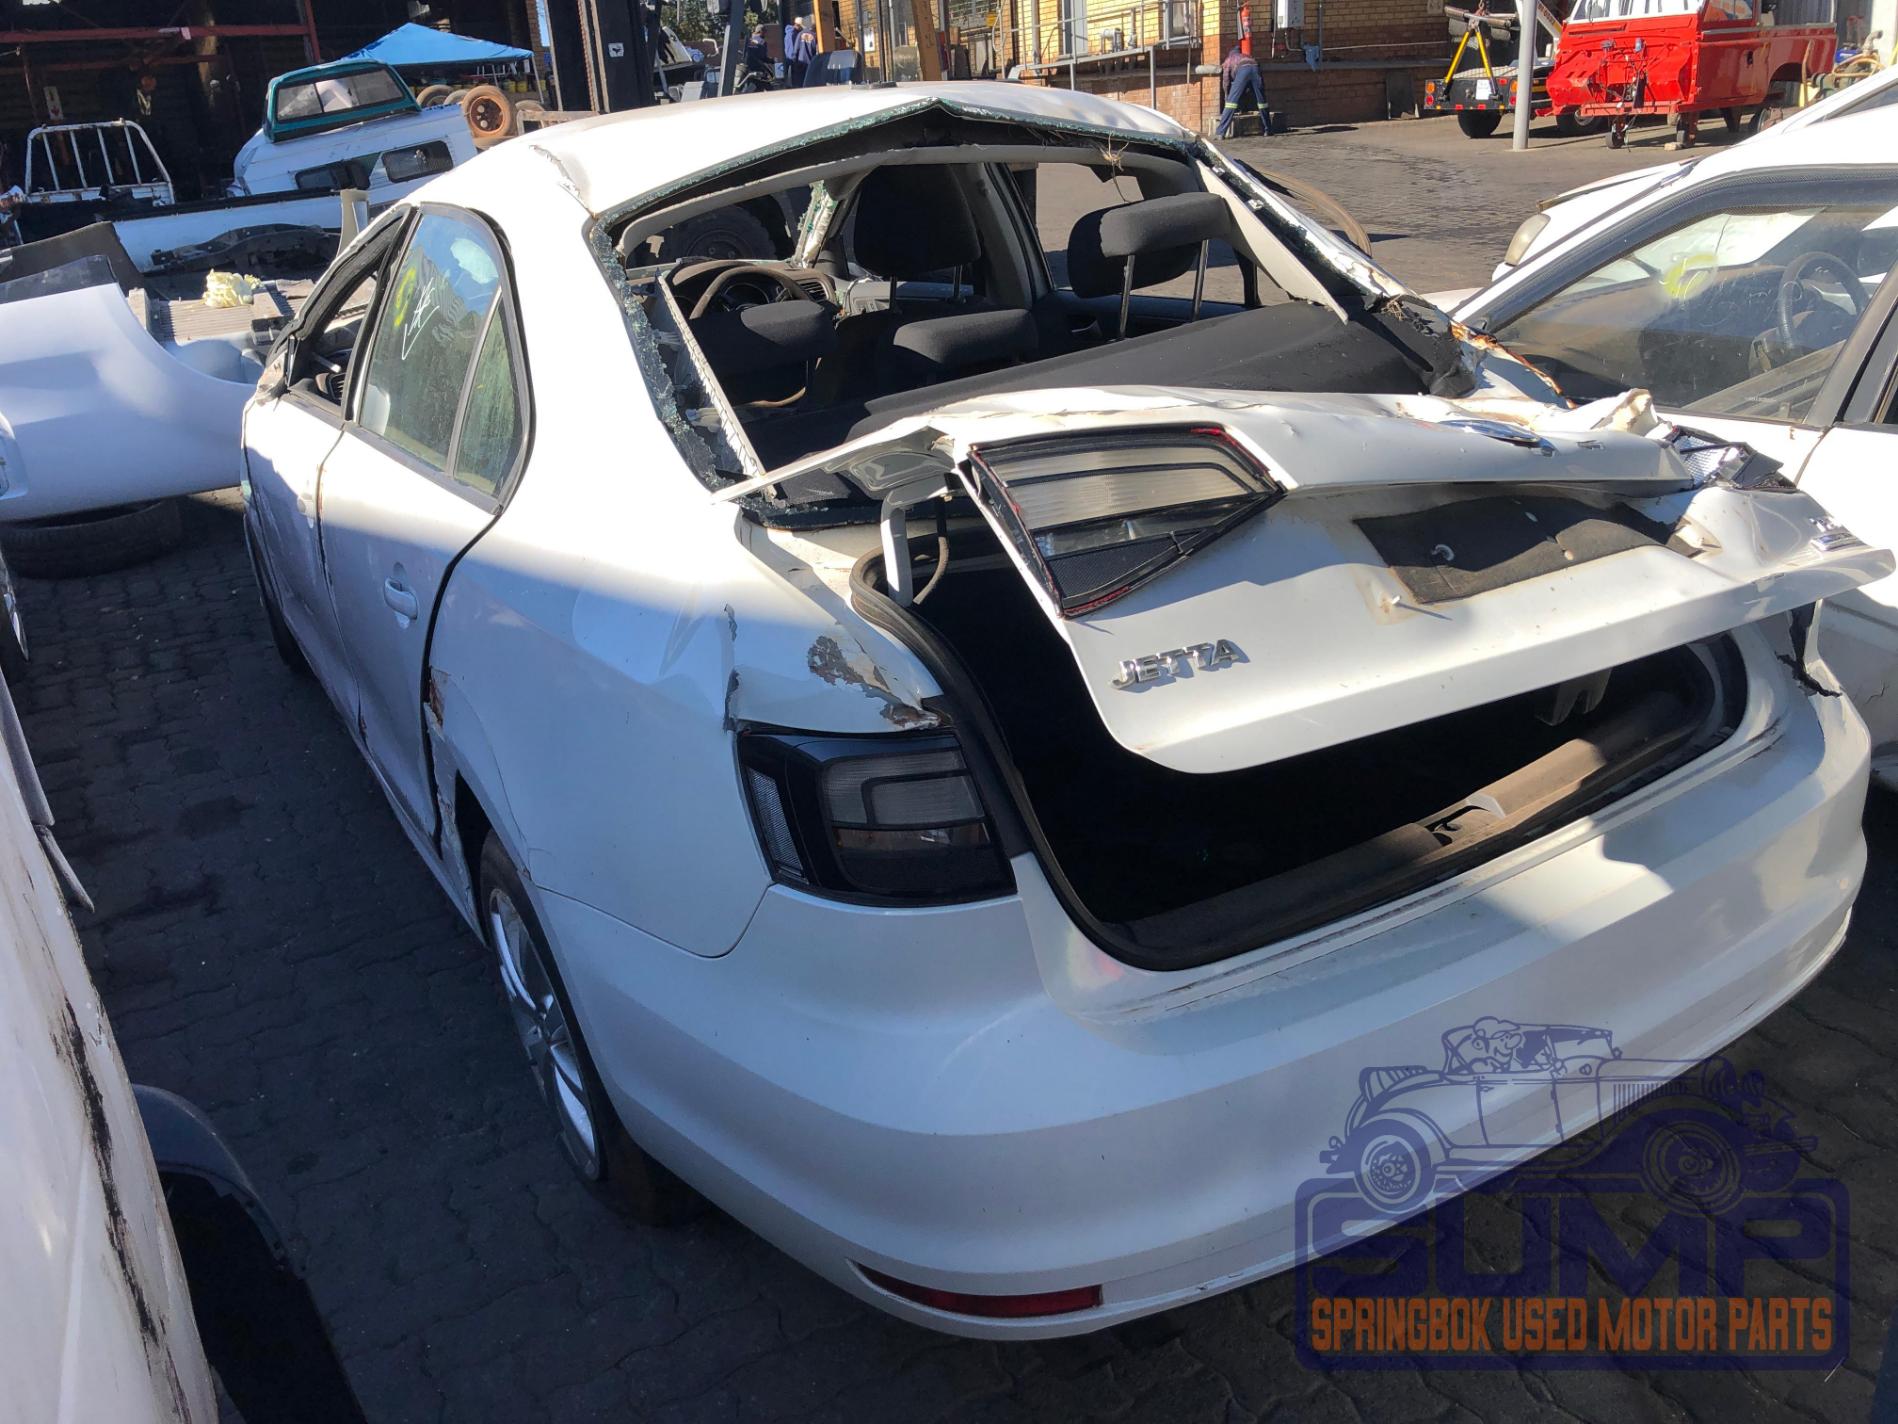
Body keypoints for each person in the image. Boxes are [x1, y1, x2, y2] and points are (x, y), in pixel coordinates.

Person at [1214, 44, 1265, 140]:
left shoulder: (1229, 60)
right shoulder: (1247, 56)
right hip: (1255, 67)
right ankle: (1268, 129)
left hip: (1243, 70)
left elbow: (1226, 81)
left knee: (1231, 104)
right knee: (1262, 102)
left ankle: (1220, 133)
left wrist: (1227, 96)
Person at [787, 15, 817, 88]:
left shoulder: (799, 34)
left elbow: (796, 50)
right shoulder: (815, 35)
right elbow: (817, 51)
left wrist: (794, 62)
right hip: (811, 64)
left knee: (801, 85)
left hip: (800, 64)